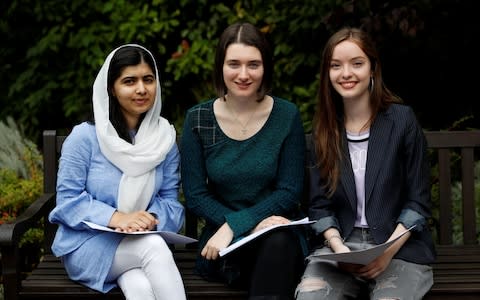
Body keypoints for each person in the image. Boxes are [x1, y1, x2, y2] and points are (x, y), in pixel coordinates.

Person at [295, 27, 436, 299]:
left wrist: (386, 252)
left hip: (399, 247)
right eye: (336, 66)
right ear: (327, 74)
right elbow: (319, 206)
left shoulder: (401, 121)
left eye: (356, 63)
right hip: (340, 247)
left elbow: (418, 201)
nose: (346, 73)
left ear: (372, 68)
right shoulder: (323, 131)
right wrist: (339, 249)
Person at [48, 44, 187, 300]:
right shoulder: (85, 139)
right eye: (129, 81)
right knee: (153, 247)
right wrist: (117, 218)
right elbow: (67, 203)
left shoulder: (164, 141)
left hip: (138, 243)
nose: (141, 89)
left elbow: (171, 204)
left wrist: (150, 219)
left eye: (148, 79)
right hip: (87, 244)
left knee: (139, 287)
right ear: (111, 88)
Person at [180, 22, 307, 300]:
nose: (243, 74)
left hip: (277, 234)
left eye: (253, 65)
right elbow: (196, 195)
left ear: (265, 68)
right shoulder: (199, 119)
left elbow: (289, 191)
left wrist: (237, 223)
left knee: (278, 244)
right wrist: (234, 228)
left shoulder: (286, 116)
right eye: (234, 64)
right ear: (220, 67)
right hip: (222, 243)